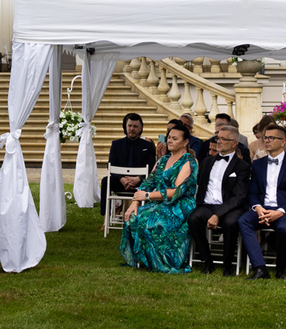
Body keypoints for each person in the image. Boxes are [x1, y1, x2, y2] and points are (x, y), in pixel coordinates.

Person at [119, 124, 198, 273]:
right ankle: (144, 259)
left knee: (152, 222)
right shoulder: (162, 161)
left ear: (185, 142)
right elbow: (147, 183)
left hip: (179, 204)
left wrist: (148, 196)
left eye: (175, 138)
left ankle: (162, 262)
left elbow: (176, 191)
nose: (170, 141)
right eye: (169, 138)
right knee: (133, 217)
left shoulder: (189, 161)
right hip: (160, 202)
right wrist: (134, 203)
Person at [240, 124, 286, 279]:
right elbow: (253, 191)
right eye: (265, 137)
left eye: (271, 138)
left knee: (285, 229)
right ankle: (260, 268)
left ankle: (280, 270)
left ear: (283, 142)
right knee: (244, 221)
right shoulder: (258, 164)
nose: (267, 140)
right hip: (262, 209)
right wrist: (257, 208)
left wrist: (280, 212)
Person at [188, 120, 251, 275]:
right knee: (193, 219)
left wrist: (217, 214)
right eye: (218, 138)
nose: (219, 141)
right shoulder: (207, 162)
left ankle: (227, 266)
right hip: (207, 205)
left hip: (230, 207)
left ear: (234, 143)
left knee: (230, 223)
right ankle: (207, 262)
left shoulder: (242, 166)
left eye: (223, 139)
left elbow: (239, 196)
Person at [102, 113, 157, 206]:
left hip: (141, 183)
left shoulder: (148, 146)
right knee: (106, 181)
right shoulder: (116, 144)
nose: (132, 129)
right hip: (121, 182)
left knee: (153, 183)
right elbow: (110, 164)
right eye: (129, 126)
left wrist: (139, 178)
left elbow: (152, 167)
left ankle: (144, 215)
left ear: (140, 128)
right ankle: (105, 217)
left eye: (135, 126)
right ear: (125, 126)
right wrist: (122, 179)